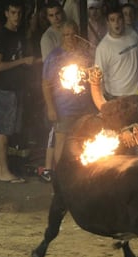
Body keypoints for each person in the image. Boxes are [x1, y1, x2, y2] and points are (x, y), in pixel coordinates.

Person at [42, 20, 97, 165]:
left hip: (84, 106)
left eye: (73, 35)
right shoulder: (54, 57)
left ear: (78, 35)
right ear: (62, 36)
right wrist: (51, 107)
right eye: (66, 35)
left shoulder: (85, 55)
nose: (70, 38)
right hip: (64, 108)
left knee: (84, 138)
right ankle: (60, 174)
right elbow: (46, 84)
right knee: (60, 140)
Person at [0, 0, 35, 183]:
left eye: (19, 13)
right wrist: (22, 61)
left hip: (16, 87)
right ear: (7, 14)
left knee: (8, 130)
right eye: (13, 12)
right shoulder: (2, 35)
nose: (16, 16)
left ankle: (0, 169)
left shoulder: (18, 34)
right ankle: (3, 171)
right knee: (4, 131)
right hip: (5, 89)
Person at [39, 0, 65, 182]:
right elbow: (50, 69)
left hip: (69, 90)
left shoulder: (67, 29)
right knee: (54, 131)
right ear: (47, 18)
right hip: (56, 88)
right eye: (51, 15)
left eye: (57, 14)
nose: (55, 18)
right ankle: (48, 168)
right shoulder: (47, 38)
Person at [95, 5, 138, 98]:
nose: (116, 23)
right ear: (107, 23)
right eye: (112, 20)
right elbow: (98, 77)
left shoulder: (132, 33)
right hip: (118, 97)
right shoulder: (103, 48)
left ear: (123, 20)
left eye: (119, 19)